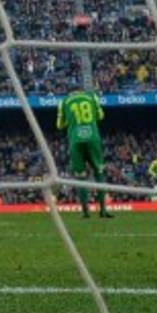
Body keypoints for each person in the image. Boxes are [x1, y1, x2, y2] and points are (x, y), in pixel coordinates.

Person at [56, 88, 112, 219]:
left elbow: (59, 125)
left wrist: (72, 121)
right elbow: (101, 116)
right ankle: (103, 211)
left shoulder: (64, 101)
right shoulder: (92, 97)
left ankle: (85, 212)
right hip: (93, 138)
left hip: (75, 140)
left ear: (72, 92)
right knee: (99, 174)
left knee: (80, 177)